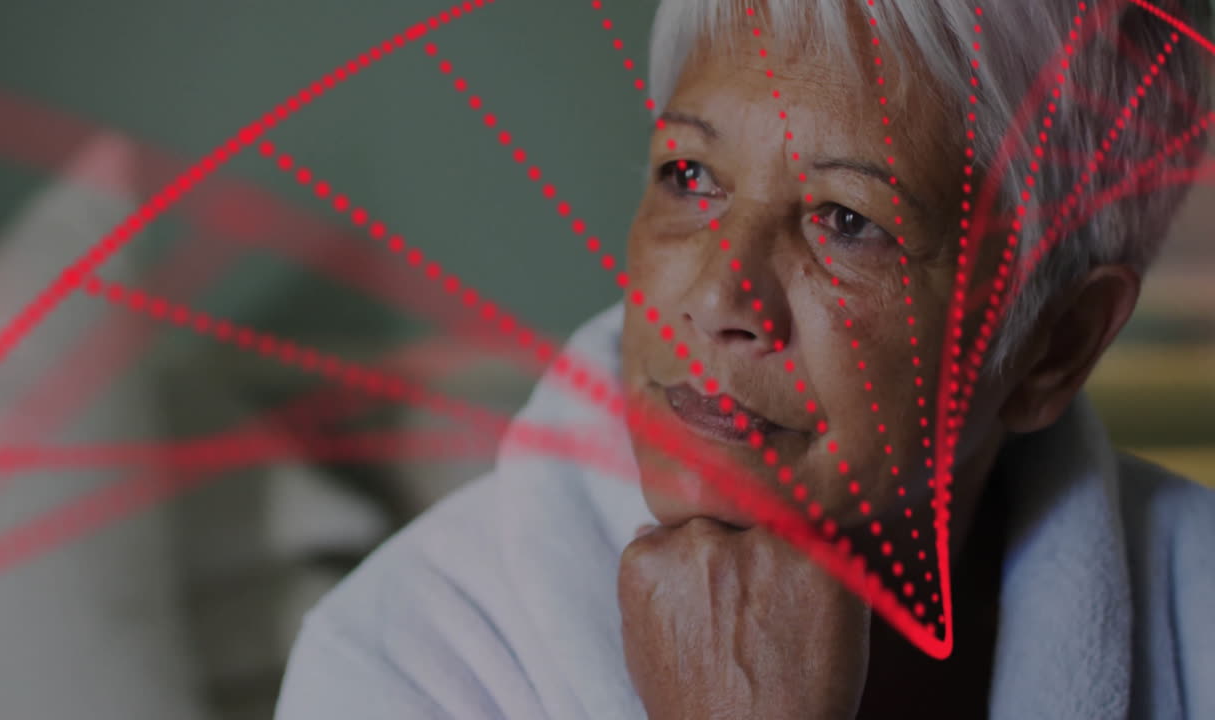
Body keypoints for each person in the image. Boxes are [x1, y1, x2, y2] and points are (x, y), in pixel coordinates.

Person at [274, 1, 1215, 717]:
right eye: (690, 177)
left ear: (1056, 345)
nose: (722, 300)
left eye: (848, 222)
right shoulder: (402, 663)